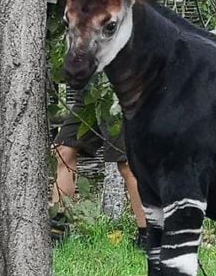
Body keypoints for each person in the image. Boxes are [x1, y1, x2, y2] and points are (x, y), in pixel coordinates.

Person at [50, 82, 147, 247]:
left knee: (127, 164)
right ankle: (57, 231)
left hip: (117, 88)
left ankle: (149, 236)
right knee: (63, 151)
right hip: (90, 90)